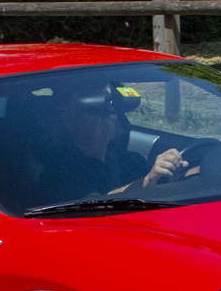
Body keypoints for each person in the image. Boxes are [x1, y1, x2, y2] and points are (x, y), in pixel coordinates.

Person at [32, 85, 201, 204]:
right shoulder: (58, 172)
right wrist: (147, 181)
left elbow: (161, 180)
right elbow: (95, 204)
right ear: (70, 122)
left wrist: (200, 170)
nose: (109, 116)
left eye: (110, 111)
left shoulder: (124, 157)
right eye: (97, 110)